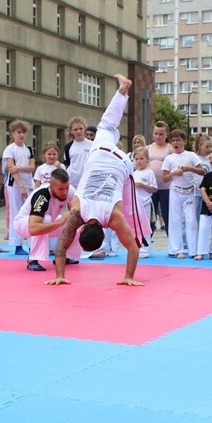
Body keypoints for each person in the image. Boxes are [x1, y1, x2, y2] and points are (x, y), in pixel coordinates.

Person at [46, 74, 147, 286]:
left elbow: (132, 248)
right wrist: (59, 275)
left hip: (122, 165)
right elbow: (62, 247)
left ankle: (142, 230)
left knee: (130, 207)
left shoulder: (113, 218)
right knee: (106, 126)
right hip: (101, 153)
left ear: (104, 231)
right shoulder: (77, 211)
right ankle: (122, 90)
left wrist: (61, 277)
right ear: (82, 229)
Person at [14, 167, 80, 271]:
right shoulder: (42, 195)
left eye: (66, 187)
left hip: (47, 222)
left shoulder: (70, 190)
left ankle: (65, 256)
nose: (65, 192)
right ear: (52, 187)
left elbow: (78, 210)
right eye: (61, 189)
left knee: (77, 223)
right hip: (24, 224)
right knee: (46, 219)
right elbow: (33, 228)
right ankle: (33, 260)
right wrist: (60, 221)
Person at [162, 129, 205, 259]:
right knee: (175, 220)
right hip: (175, 190)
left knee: (191, 220)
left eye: (178, 140)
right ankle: (176, 249)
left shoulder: (191, 155)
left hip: (190, 190)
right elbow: (165, 178)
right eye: (173, 140)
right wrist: (173, 173)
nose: (176, 143)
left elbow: (202, 171)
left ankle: (193, 249)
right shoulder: (169, 158)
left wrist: (189, 169)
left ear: (184, 141)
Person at [3, 119, 35, 255]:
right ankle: (17, 245)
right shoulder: (10, 149)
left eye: (23, 132)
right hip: (15, 185)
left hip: (29, 183)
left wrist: (19, 167)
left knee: (30, 213)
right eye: (19, 132)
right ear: (13, 134)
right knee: (16, 213)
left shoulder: (29, 149)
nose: (21, 135)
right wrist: (20, 185)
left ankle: (32, 244)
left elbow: (32, 167)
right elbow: (11, 169)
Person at [131, 147, 157, 259]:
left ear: (147, 159)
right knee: (136, 226)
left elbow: (154, 188)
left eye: (141, 158)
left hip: (145, 202)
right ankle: (137, 247)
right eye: (136, 159)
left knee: (145, 226)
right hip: (135, 204)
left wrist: (142, 185)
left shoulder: (149, 173)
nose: (139, 161)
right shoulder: (133, 173)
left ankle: (145, 249)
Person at [147, 122, 171, 234]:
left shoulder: (170, 148)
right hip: (151, 187)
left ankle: (172, 244)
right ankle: (146, 243)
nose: (158, 136)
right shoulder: (148, 148)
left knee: (167, 215)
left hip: (166, 187)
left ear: (166, 134)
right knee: (150, 216)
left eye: (161, 134)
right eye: (155, 133)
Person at [63, 117, 92, 185]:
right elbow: (67, 165)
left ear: (84, 129)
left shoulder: (92, 145)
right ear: (71, 131)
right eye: (75, 129)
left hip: (87, 181)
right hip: (73, 182)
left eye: (81, 128)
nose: (79, 131)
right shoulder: (68, 147)